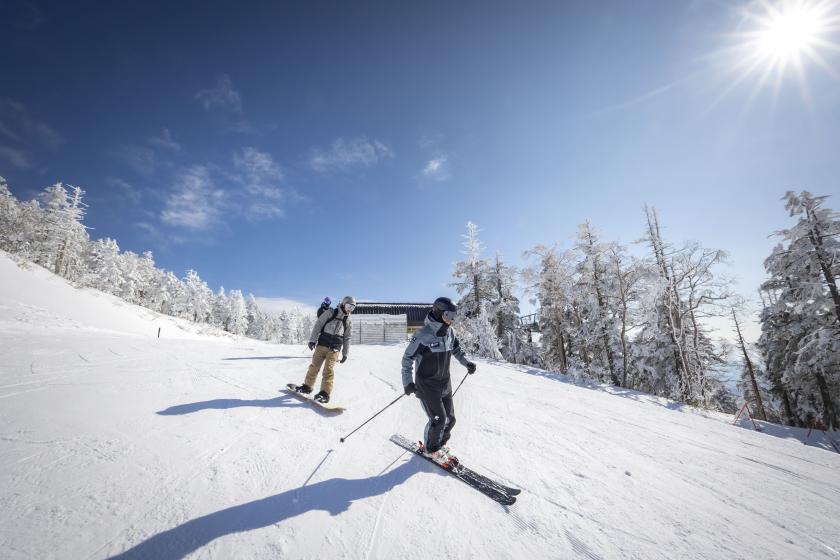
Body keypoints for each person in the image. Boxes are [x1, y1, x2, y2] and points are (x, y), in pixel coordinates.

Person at [401, 296, 476, 463]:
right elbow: (407, 359)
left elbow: (457, 350)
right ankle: (430, 449)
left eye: (454, 316)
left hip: (444, 383)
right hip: (427, 386)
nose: (452, 320)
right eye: (449, 315)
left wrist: (467, 363)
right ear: (438, 312)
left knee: (450, 420)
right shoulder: (422, 335)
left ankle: (438, 445)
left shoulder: (450, 332)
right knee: (438, 420)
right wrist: (407, 383)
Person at [293, 295, 356, 403]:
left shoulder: (348, 320)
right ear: (344, 303)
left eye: (352, 308)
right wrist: (312, 340)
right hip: (322, 344)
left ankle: (324, 394)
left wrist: (345, 353)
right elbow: (318, 324)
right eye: (349, 306)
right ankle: (307, 387)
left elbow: (347, 337)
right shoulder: (331, 312)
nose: (350, 309)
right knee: (314, 367)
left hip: (334, 349)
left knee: (328, 370)